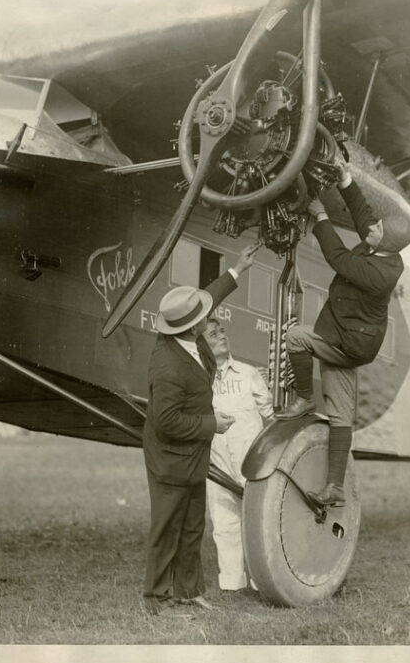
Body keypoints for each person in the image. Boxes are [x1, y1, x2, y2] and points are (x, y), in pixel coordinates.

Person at [277, 156, 410, 508]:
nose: (370, 228)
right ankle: (334, 487)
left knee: (297, 338)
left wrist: (320, 215)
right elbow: (364, 215)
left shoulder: (381, 273)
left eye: (377, 229)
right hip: (350, 336)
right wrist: (345, 179)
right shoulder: (382, 244)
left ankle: (305, 398)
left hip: (350, 343)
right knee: (340, 414)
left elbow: (338, 258)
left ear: (385, 244)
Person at [142, 243, 259, 614]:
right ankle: (156, 598)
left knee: (192, 524)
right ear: (193, 327)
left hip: (191, 454)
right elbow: (166, 421)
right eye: (204, 320)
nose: (210, 320)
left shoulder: (188, 336)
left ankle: (188, 591)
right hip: (171, 458)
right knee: (166, 528)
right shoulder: (168, 366)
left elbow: (205, 299)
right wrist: (214, 425)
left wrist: (237, 269)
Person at [203, 317, 274, 591]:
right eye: (213, 333)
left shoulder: (248, 373)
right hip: (217, 462)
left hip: (250, 463)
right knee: (224, 523)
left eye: (222, 330)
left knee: (255, 522)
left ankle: (262, 580)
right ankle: (232, 584)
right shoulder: (200, 380)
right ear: (202, 344)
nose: (221, 335)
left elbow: (271, 413)